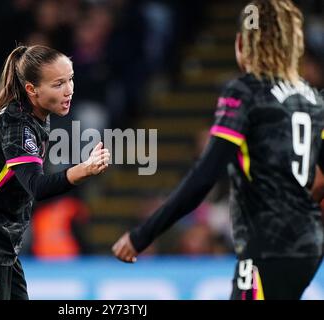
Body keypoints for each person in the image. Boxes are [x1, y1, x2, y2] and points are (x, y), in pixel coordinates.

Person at [113, 0, 324, 300]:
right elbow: (319, 180)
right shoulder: (313, 99)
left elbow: (204, 176)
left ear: (242, 44)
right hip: (308, 246)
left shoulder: (246, 91)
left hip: (266, 247)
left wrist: (142, 235)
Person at [0, 45, 110, 300]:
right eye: (58, 84)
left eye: (70, 79)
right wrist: (83, 170)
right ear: (31, 89)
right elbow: (36, 186)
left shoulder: (29, 115)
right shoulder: (16, 125)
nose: (69, 90)